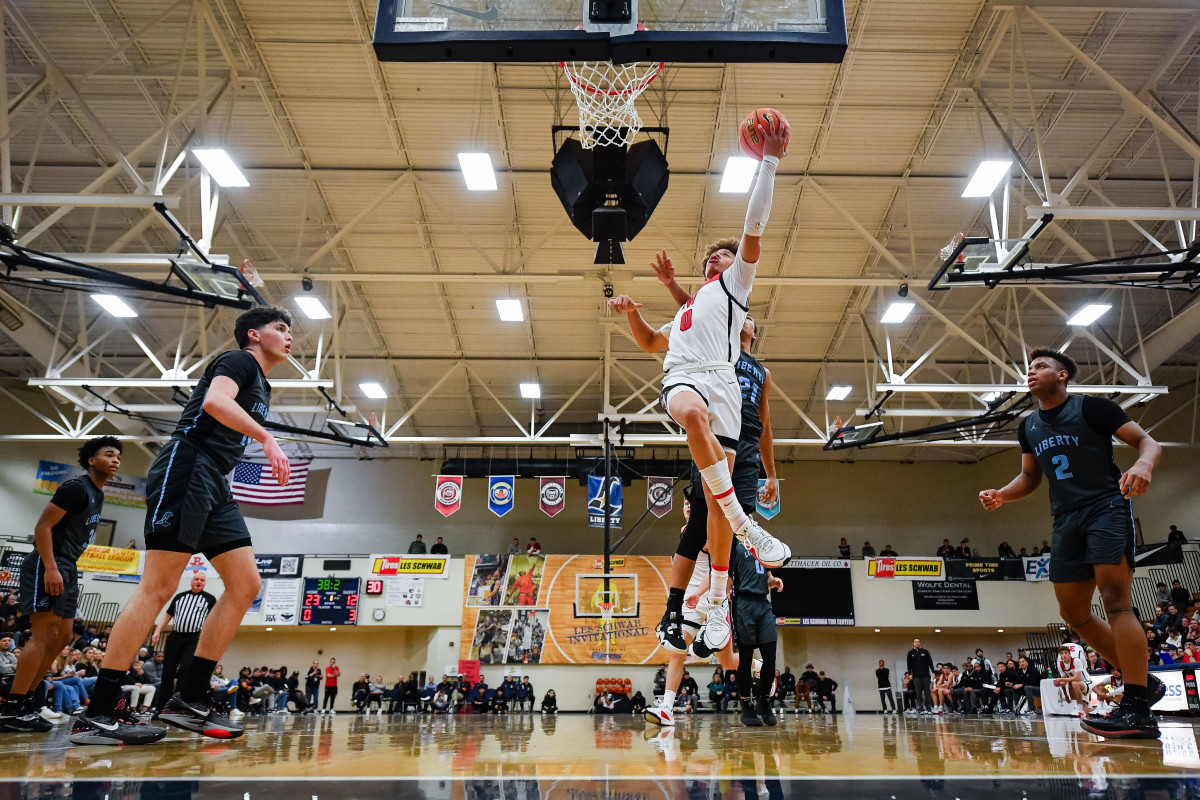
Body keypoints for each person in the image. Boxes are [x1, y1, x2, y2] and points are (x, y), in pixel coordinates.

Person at [608, 118, 790, 655]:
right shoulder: (690, 307)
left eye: (725, 255)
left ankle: (715, 600)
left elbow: (755, 224)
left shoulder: (735, 291)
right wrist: (632, 313)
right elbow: (648, 345)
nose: (718, 257)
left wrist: (770, 162)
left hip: (725, 386)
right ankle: (745, 524)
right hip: (687, 379)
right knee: (686, 411)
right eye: (712, 255)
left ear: (737, 269)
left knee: (714, 498)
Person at [72, 307, 294, 746]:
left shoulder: (263, 382)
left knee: (246, 585)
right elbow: (214, 402)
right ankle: (98, 712)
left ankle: (188, 698)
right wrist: (268, 439)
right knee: (157, 588)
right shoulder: (239, 360)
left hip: (214, 481)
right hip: (187, 466)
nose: (289, 337)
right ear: (254, 335)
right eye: (281, 328)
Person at [979, 347, 1165, 739]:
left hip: (1106, 507)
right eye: (1029, 368)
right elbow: (1030, 478)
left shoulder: (1093, 408)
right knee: (1073, 613)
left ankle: (1135, 706)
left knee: (1116, 599)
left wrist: (1143, 464)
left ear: (1063, 375)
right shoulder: (1028, 426)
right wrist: (1002, 494)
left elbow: (1148, 443)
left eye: (1041, 366)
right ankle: (1143, 683)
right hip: (1065, 520)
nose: (1032, 372)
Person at [0, 436, 124, 736]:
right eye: (109, 454)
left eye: (119, 456)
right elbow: (42, 527)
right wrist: (51, 567)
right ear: (91, 460)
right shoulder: (75, 488)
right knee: (45, 635)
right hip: (49, 563)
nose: (116, 460)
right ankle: (12, 707)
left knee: (63, 637)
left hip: (69, 565)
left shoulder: (98, 493)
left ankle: (29, 702)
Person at [730, 541, 782, 727]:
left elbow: (767, 576)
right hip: (743, 603)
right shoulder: (733, 545)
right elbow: (728, 576)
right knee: (745, 657)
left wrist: (773, 581)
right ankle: (746, 704)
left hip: (763, 603)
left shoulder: (761, 544)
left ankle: (764, 701)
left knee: (770, 656)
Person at [149, 571, 217, 714]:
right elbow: (168, 615)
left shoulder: (210, 599)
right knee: (167, 672)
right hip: (175, 637)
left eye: (202, 580)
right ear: (191, 581)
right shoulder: (180, 597)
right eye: (196, 579)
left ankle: (179, 705)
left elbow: (213, 620)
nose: (199, 581)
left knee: (185, 669)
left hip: (194, 638)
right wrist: (157, 631)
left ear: (205, 583)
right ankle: (161, 707)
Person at [906, 638, 935, 714]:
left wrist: (933, 671)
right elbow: (909, 665)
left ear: (920, 643)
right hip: (916, 676)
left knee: (927, 692)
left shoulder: (925, 652)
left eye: (918, 642)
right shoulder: (910, 653)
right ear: (913, 643)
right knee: (918, 692)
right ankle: (921, 708)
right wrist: (910, 674)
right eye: (915, 642)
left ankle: (928, 708)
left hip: (925, 675)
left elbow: (930, 662)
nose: (917, 643)